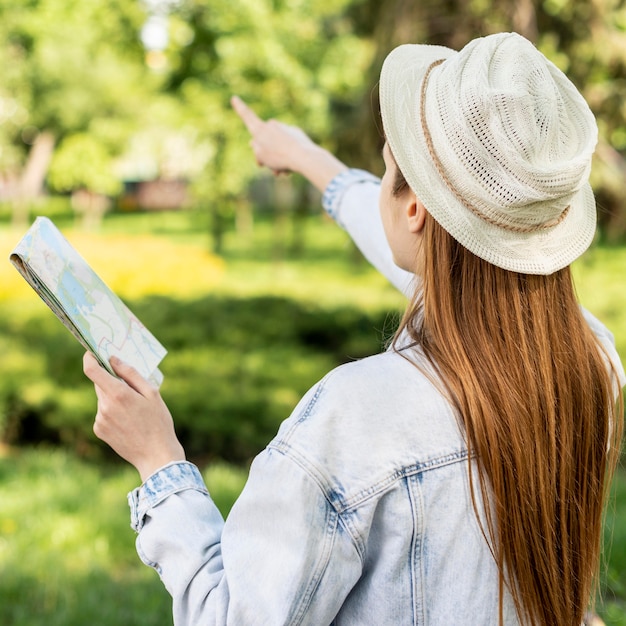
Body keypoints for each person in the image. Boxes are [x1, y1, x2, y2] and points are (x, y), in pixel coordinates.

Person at [83, 32, 625, 625]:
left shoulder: (359, 419)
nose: (384, 171)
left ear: (415, 207)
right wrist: (310, 160)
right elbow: (462, 268)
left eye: (391, 162)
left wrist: (158, 460)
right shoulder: (592, 364)